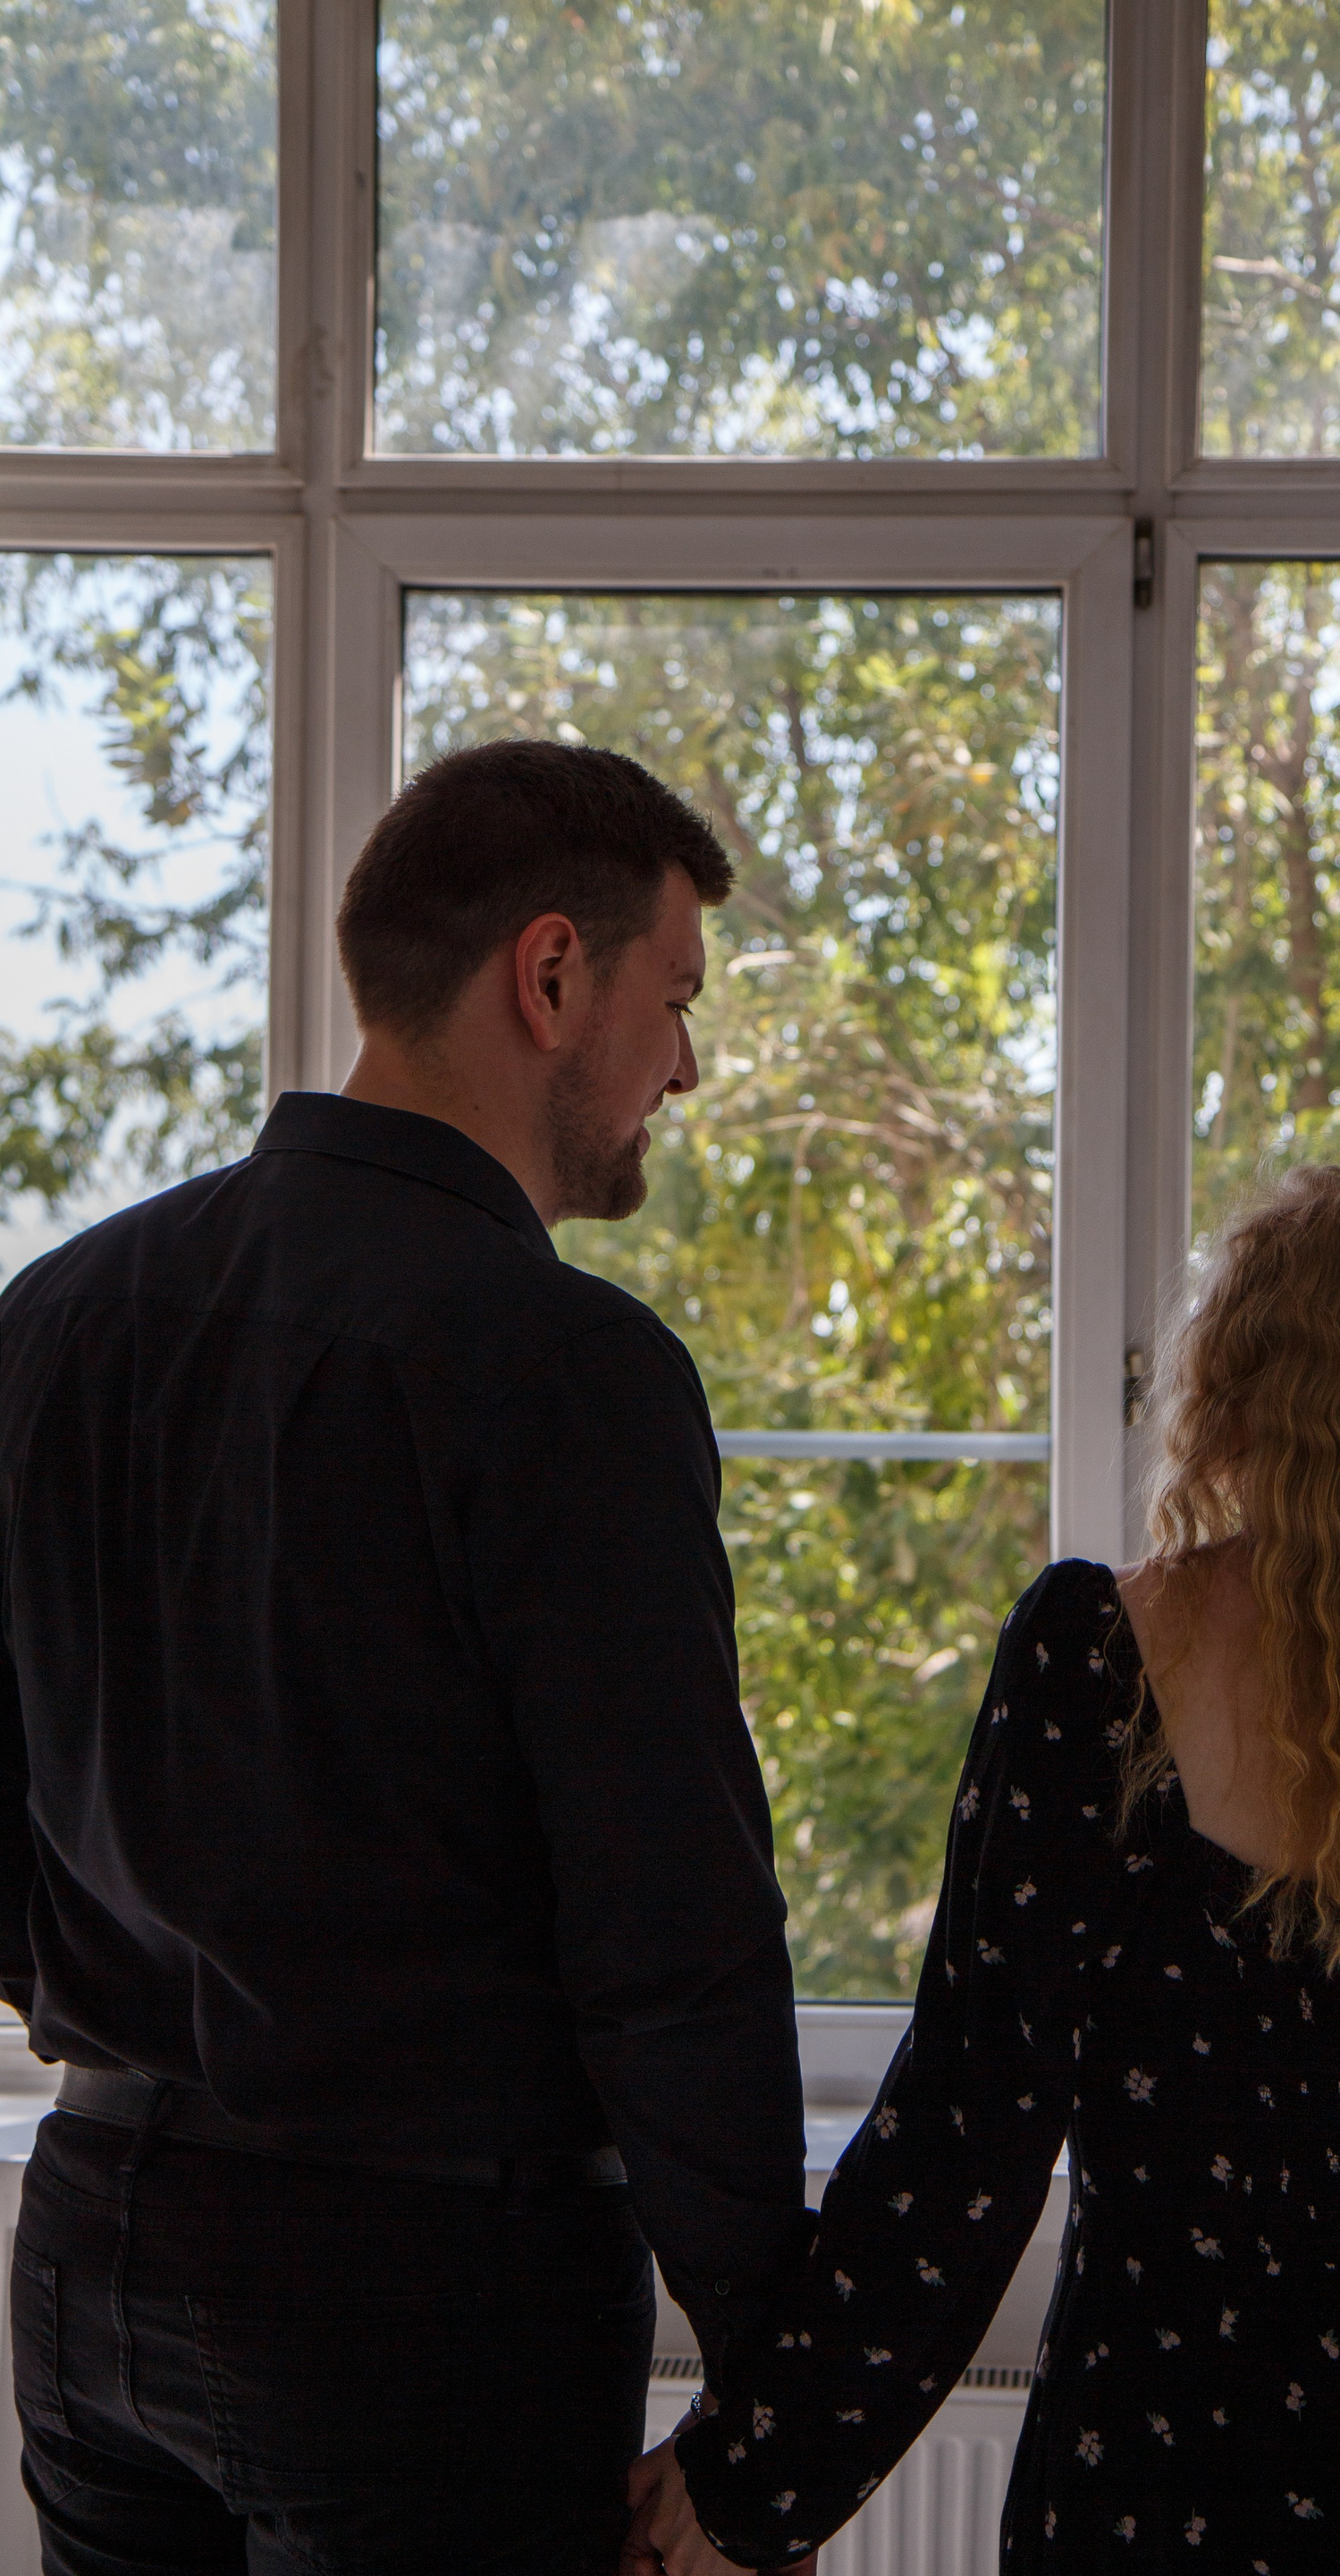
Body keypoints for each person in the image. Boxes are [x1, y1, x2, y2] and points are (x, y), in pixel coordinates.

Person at [629, 1161, 1340, 2575]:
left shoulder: (1100, 1660)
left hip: (1166, 2467)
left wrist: (752, 2478)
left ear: (1245, 1378)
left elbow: (969, 2133)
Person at [0, 739, 816, 2575]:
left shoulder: (53, 1321)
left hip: (89, 2248)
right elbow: (671, 1935)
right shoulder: (569, 1370)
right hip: (427, 2297)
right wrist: (778, 2416)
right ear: (552, 975)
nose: (686, 1066)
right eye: (678, 998)